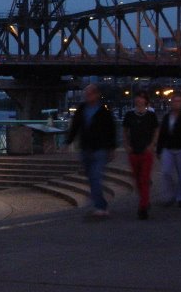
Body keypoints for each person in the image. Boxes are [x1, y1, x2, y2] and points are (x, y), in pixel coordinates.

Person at [65, 83, 117, 218]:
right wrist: (68, 142)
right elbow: (75, 126)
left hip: (100, 149)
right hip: (86, 148)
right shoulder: (81, 109)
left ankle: (100, 206)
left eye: (91, 93)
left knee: (95, 176)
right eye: (86, 94)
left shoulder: (104, 111)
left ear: (97, 95)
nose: (88, 96)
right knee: (91, 177)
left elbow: (111, 130)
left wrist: (111, 148)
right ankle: (101, 203)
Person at [122, 90, 159, 220]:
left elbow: (156, 129)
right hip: (133, 151)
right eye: (137, 97)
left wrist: (152, 144)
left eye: (142, 98)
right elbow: (125, 131)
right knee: (138, 179)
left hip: (146, 151)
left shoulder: (150, 115)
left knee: (144, 178)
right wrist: (126, 145)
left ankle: (143, 207)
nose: (139, 100)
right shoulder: (129, 115)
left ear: (146, 101)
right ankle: (145, 200)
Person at [157, 93, 181, 208]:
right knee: (166, 172)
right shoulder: (167, 117)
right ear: (171, 103)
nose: (177, 103)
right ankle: (170, 195)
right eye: (175, 101)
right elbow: (162, 133)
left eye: (179, 101)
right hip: (168, 148)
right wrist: (159, 149)